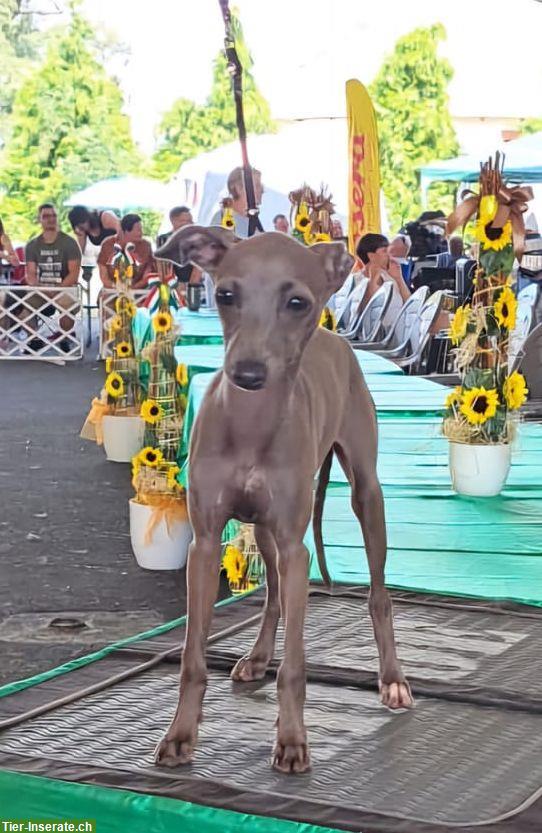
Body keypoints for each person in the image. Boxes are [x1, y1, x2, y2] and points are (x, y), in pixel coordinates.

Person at [24, 203, 82, 351]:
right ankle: (35, 339)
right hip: (41, 289)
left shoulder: (69, 243)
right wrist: (41, 288)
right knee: (20, 307)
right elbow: (30, 275)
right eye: (46, 216)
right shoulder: (32, 245)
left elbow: (74, 274)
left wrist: (58, 290)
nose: (51, 219)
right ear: (39, 219)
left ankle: (65, 337)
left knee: (68, 304)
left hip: (65, 287)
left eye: (54, 216)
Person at [97, 213, 154, 289]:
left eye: (141, 229)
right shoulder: (108, 245)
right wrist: (117, 287)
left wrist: (131, 288)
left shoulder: (146, 246)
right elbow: (104, 277)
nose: (141, 232)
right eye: (138, 230)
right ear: (126, 231)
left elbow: (147, 275)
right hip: (111, 291)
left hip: (139, 292)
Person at [356, 233, 411, 306]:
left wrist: (399, 279)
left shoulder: (389, 277)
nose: (389, 255)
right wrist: (373, 280)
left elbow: (409, 305)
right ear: (371, 256)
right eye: (385, 251)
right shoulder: (357, 281)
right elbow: (368, 310)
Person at [211, 166, 264, 238]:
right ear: (238, 188)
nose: (262, 190)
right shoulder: (223, 218)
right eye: (257, 185)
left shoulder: (253, 219)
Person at [156, 206, 202, 286]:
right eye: (187, 221)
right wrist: (174, 286)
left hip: (194, 286)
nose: (191, 224)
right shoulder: (163, 240)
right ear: (173, 221)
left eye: (191, 221)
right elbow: (163, 269)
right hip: (173, 286)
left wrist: (191, 287)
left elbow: (198, 268)